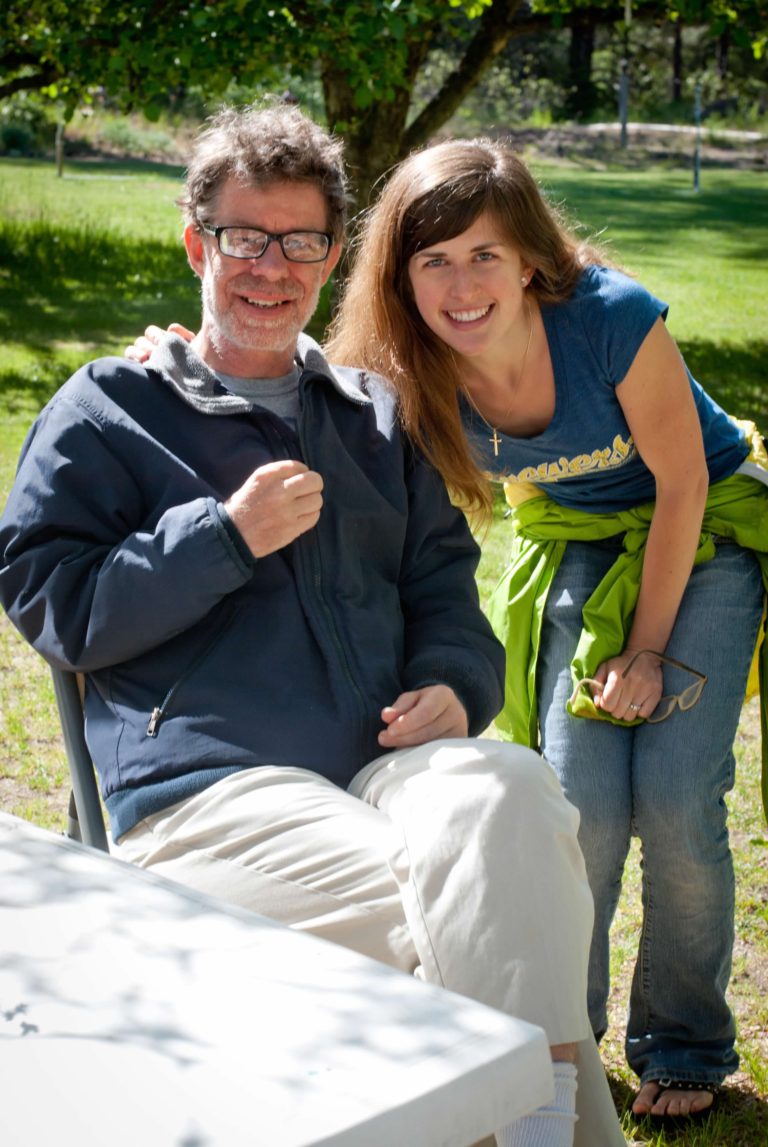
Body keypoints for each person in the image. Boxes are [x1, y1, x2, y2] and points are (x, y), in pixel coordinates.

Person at [0, 105, 626, 1147]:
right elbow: (53, 604)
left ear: (333, 257)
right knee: (452, 904)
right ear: (198, 242)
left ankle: (528, 1126)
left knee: (515, 793)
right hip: (208, 791)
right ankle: (552, 1129)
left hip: (390, 769)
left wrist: (456, 683)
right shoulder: (109, 408)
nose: (270, 267)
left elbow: (444, 585)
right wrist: (222, 537)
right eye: (245, 238)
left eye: (301, 242)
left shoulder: (374, 415)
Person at [323, 137, 768, 1123]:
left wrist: (647, 650)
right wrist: (173, 357)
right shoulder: (407, 362)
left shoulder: (609, 319)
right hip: (582, 544)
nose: (462, 282)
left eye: (484, 253)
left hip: (708, 528)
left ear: (530, 256)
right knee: (577, 804)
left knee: (677, 795)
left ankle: (685, 1046)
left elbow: (685, 479)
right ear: (402, 277)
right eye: (432, 259)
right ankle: (559, 1037)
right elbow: (303, 411)